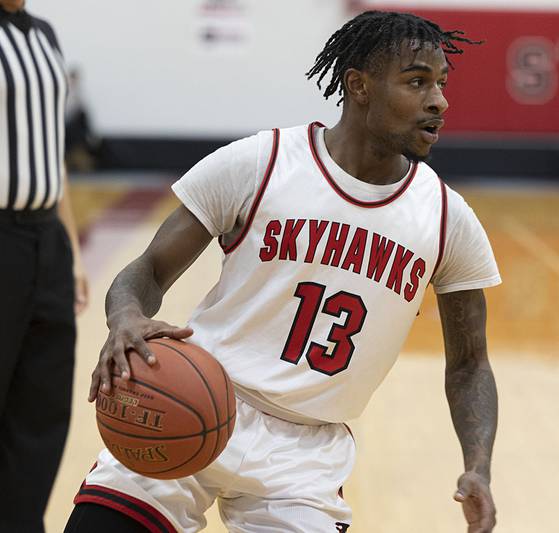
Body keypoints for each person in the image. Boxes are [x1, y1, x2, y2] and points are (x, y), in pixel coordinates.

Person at [67, 10, 500, 533]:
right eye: (417, 82)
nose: (439, 101)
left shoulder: (449, 219)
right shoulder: (260, 162)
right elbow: (147, 272)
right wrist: (126, 318)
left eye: (441, 84)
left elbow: (470, 364)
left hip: (303, 456)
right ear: (358, 86)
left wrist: (478, 467)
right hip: (190, 393)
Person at [0, 1, 88, 531]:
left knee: (42, 409)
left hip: (46, 242)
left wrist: (72, 250)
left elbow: (52, 152)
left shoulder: (45, 35)